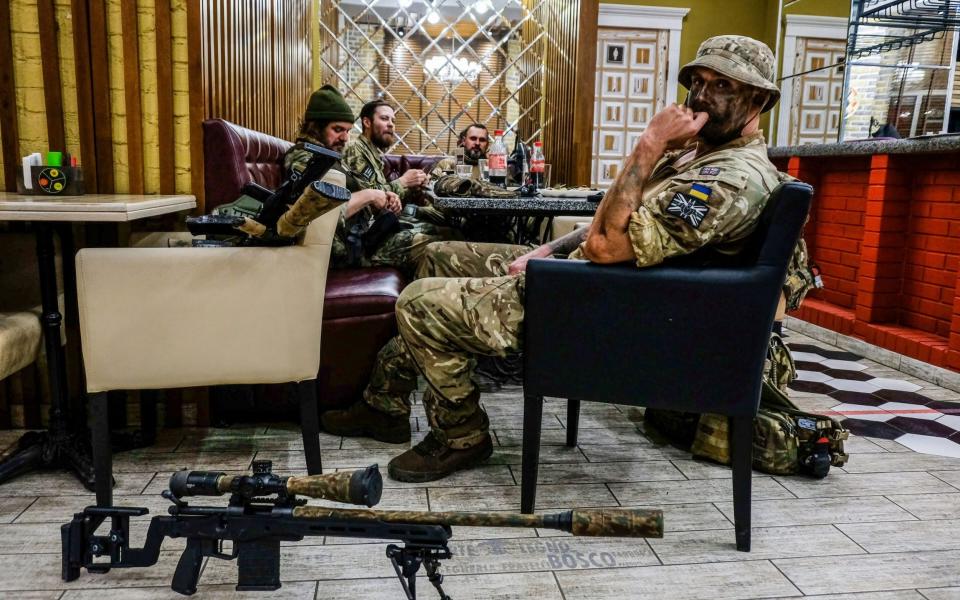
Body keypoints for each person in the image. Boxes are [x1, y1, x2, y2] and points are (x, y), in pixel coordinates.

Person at [323, 35, 790, 482]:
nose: (702, 97)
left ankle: (461, 434)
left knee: (420, 303)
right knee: (441, 255)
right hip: (598, 282)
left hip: (612, 311)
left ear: (759, 101)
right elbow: (609, 224)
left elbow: (609, 245)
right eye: (698, 82)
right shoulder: (695, 159)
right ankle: (385, 404)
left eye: (723, 85)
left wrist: (648, 144)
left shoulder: (730, 181)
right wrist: (545, 250)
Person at [285, 88, 457, 276]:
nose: (345, 138)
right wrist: (371, 195)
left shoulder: (325, 156)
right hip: (349, 252)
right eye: (337, 130)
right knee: (437, 247)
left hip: (362, 236)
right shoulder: (305, 159)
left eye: (348, 131)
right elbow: (320, 216)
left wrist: (385, 196)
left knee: (442, 233)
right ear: (316, 127)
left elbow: (356, 195)